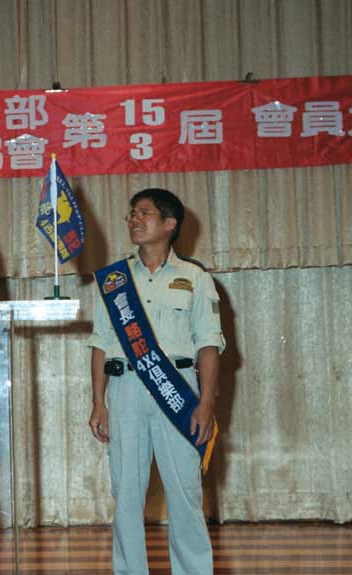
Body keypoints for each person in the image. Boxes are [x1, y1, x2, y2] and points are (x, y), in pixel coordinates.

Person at [88, 188, 225, 575]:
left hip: (177, 390)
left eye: (143, 213)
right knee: (127, 494)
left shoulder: (195, 278)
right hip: (125, 391)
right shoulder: (113, 280)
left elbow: (209, 345)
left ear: (169, 224)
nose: (134, 219)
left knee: (185, 492)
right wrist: (98, 402)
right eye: (131, 213)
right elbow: (100, 343)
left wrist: (206, 404)